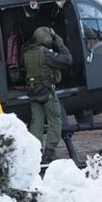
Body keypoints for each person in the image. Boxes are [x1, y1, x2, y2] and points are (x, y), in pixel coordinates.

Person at [23, 26, 73, 164]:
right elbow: (68, 60)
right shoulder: (46, 54)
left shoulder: (27, 53)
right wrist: (59, 42)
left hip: (33, 92)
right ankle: (50, 153)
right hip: (47, 92)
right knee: (55, 120)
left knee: (36, 123)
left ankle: (35, 154)